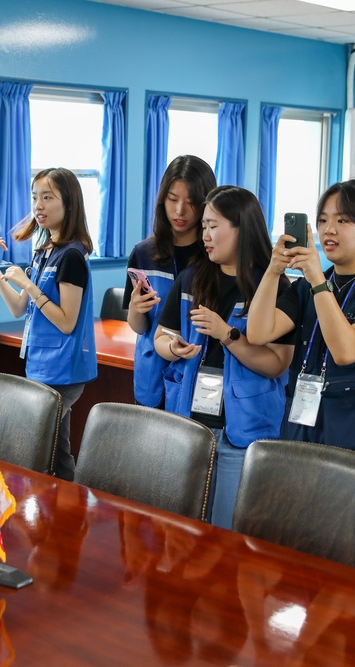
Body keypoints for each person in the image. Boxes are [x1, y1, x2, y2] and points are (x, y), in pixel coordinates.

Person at [154, 186, 294, 529]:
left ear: (242, 228)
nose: (205, 235)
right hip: (189, 422)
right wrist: (174, 349)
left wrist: (227, 336)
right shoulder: (191, 277)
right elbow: (161, 337)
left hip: (241, 429)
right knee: (181, 526)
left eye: (213, 226)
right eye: (203, 226)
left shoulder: (273, 285)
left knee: (225, 530)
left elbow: (277, 363)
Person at [247, 180, 355, 459]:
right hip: (301, 431)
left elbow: (346, 351)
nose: (329, 230)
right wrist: (273, 271)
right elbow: (258, 333)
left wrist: (316, 279)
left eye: (343, 220)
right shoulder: (306, 288)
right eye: (323, 220)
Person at [0, 168, 97, 481]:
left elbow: (66, 322)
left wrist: (30, 286)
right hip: (40, 363)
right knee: (55, 450)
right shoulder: (45, 251)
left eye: (48, 197)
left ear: (69, 203)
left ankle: (65, 505)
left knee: (47, 448)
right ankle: (62, 506)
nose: (39, 205)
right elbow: (19, 307)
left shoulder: (72, 256)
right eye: (35, 197)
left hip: (64, 368)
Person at [124, 155, 216, 408]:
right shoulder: (144, 253)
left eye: (191, 202)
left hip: (199, 371)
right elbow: (139, 327)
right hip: (153, 369)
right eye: (173, 199)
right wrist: (135, 310)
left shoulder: (215, 254)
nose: (180, 211)